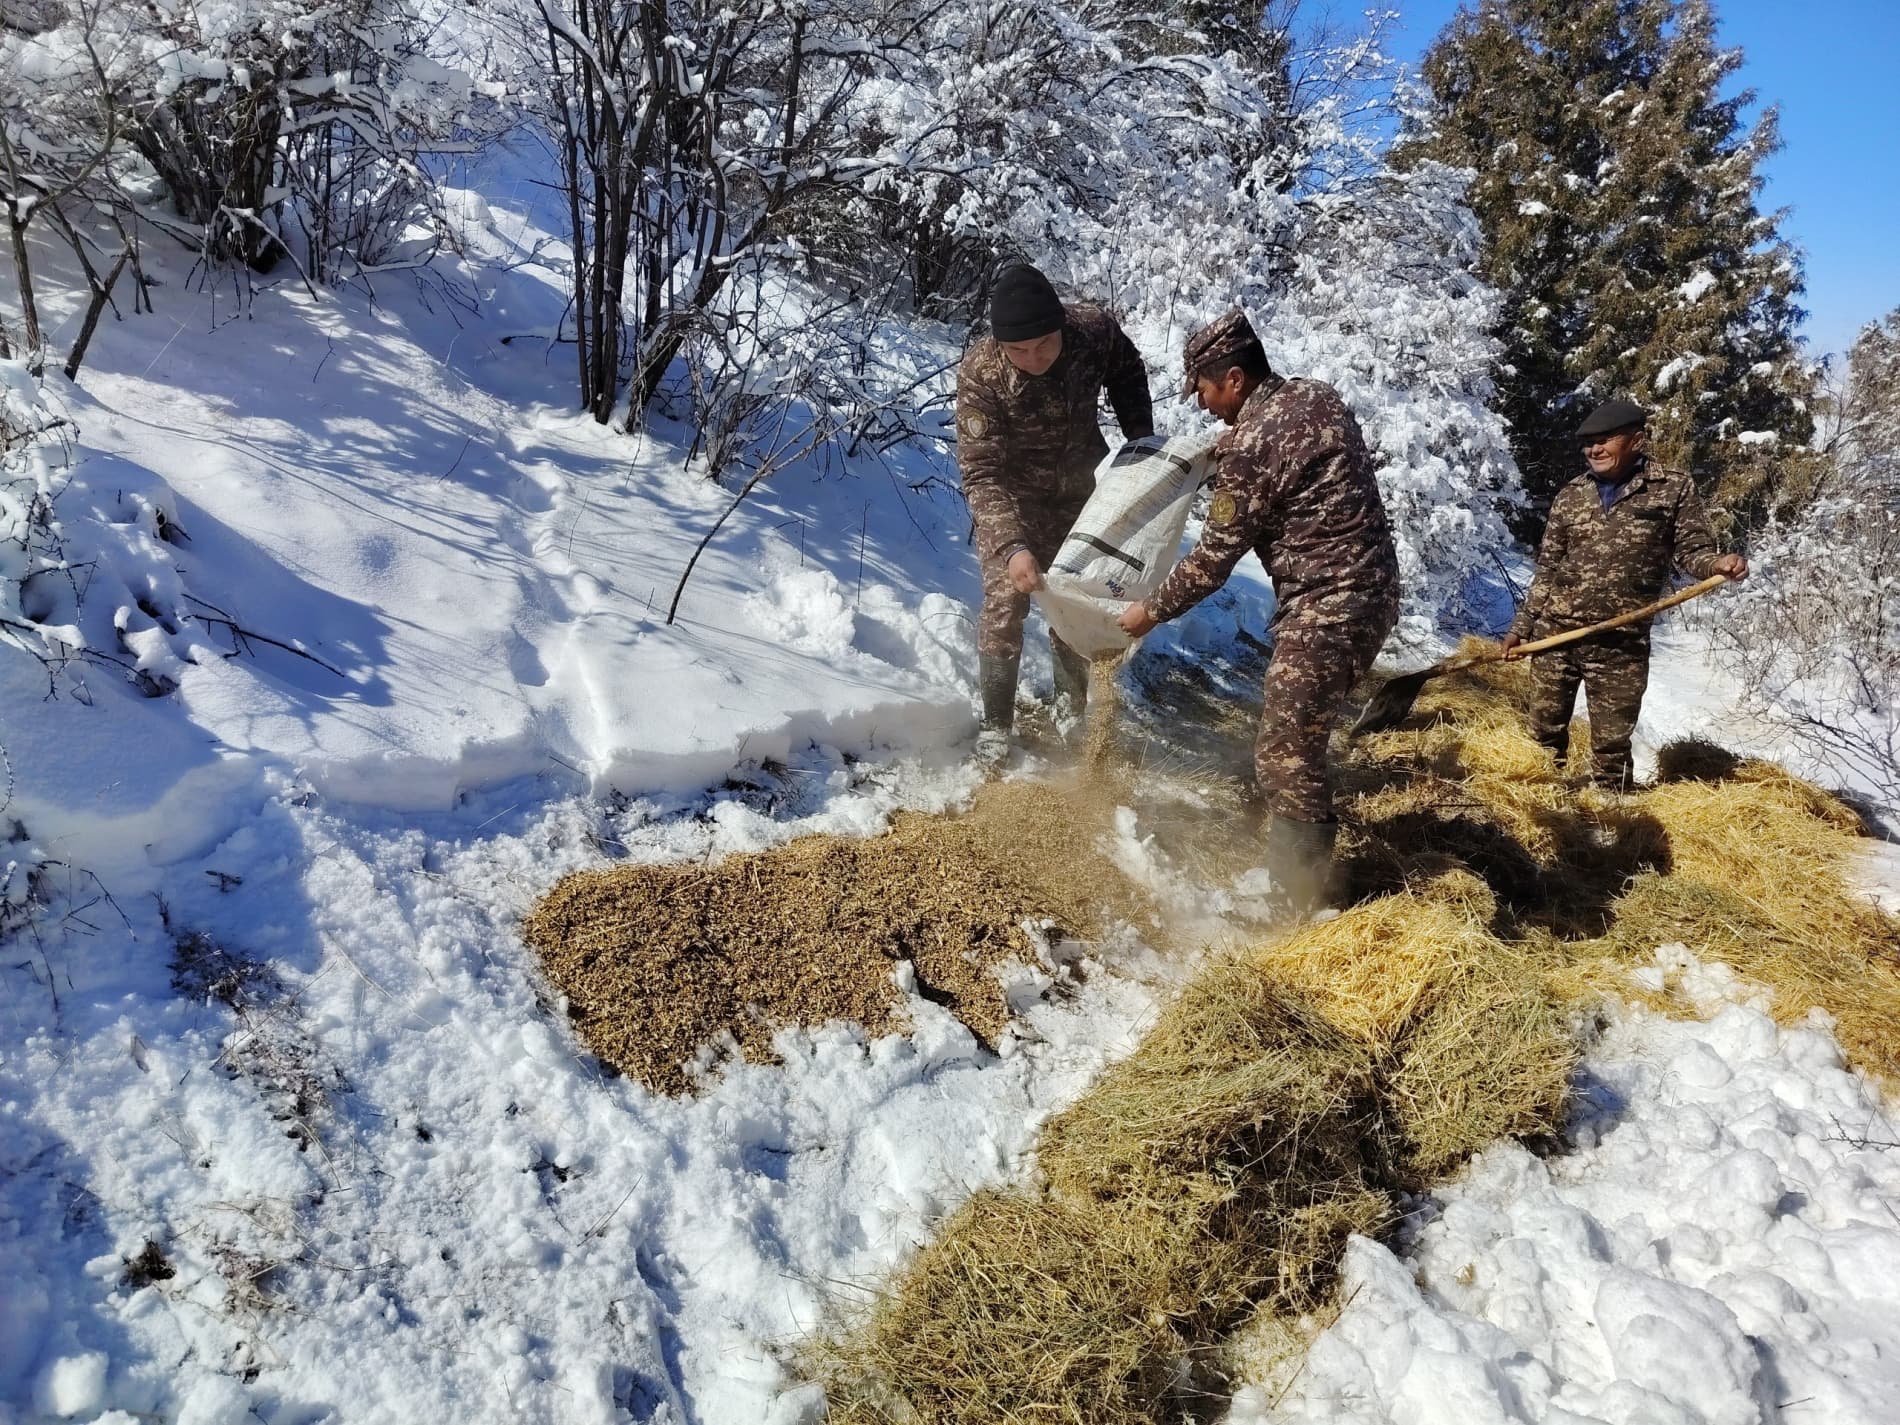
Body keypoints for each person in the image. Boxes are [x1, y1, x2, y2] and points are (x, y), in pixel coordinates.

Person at [1118, 310, 1399, 915]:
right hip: (1372, 592)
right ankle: (1301, 879)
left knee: (1286, 747)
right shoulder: (1312, 398)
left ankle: (1295, 896)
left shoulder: (1252, 444)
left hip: (1330, 604)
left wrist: (1151, 612)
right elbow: (1289, 458)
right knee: (1295, 735)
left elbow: (1213, 560)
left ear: (1236, 379)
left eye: (1203, 388)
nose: (1200, 403)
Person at [955, 263, 1154, 756]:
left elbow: (1128, 370)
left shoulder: (1091, 330)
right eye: (1018, 350)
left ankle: (1072, 709)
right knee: (1006, 600)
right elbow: (982, 476)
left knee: (1074, 598)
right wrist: (1013, 546)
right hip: (1013, 500)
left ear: (1061, 327)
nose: (1033, 358)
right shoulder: (982, 374)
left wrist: (1142, 444)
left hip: (1077, 491)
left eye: (1043, 344)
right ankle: (996, 727)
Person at [1501, 397, 1748, 789]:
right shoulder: (1572, 494)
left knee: (1612, 744)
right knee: (1543, 733)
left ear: (1637, 440)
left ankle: (1610, 820)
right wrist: (1521, 628)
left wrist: (1715, 565)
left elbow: (1692, 551)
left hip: (1621, 642)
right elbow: (1547, 569)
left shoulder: (1672, 488)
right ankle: (1544, 805)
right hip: (1556, 636)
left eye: (1605, 440)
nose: (1594, 450)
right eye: (1588, 443)